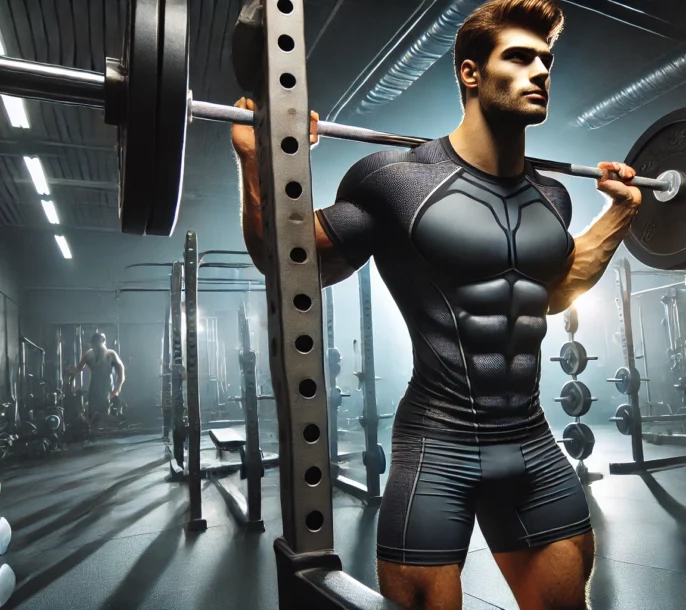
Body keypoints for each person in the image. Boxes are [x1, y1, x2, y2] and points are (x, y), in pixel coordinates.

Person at [232, 0, 641, 607]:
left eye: (547, 61)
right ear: (471, 73)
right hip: (438, 446)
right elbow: (289, 261)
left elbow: (551, 296)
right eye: (521, 57)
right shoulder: (396, 180)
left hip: (533, 440)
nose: (540, 73)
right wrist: (257, 158)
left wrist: (621, 214)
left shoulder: (552, 195)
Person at [66, 332, 126, 425]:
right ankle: (93, 426)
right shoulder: (89, 354)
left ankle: (105, 426)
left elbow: (121, 369)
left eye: (97, 344)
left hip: (106, 385)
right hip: (94, 385)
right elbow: (78, 368)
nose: (96, 347)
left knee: (105, 408)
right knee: (93, 409)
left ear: (102, 342)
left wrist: (118, 387)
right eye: (94, 345)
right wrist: (71, 376)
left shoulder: (110, 354)